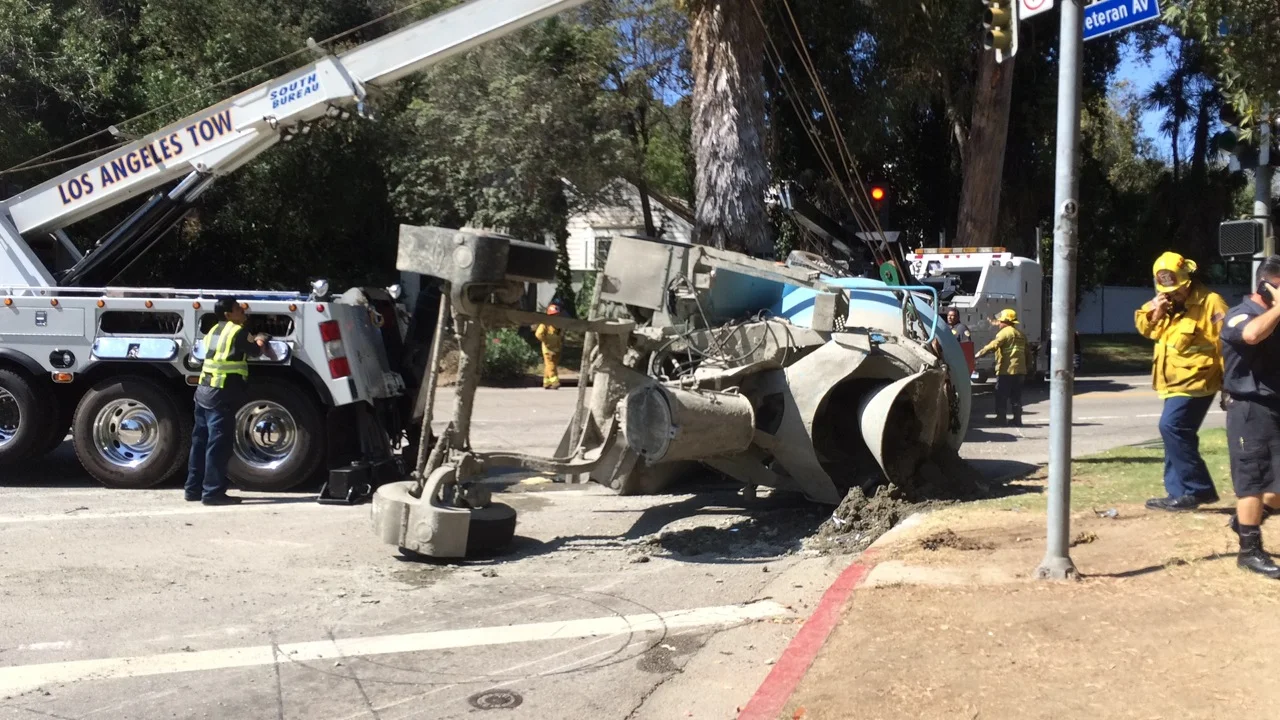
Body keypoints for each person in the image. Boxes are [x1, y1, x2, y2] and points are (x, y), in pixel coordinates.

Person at [1135, 252, 1228, 512]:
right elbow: (1146, 330)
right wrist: (1156, 309)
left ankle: (1199, 489)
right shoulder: (1166, 305)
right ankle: (1178, 493)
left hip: (1197, 382)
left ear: (1188, 281)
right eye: (1168, 290)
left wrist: (1229, 385)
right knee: (1174, 435)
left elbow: (1227, 345)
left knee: (1172, 428)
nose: (1174, 294)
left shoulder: (1211, 303)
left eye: (1177, 289)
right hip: (1171, 384)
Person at [1219, 256, 1280, 578]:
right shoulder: (1241, 314)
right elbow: (1253, 336)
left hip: (1275, 407)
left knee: (1277, 484)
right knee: (1253, 481)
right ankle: (1249, 551)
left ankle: (1244, 522)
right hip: (1249, 408)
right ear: (1267, 286)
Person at [186, 297, 267, 505]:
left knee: (200, 441)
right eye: (238, 308)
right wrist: (261, 338)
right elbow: (256, 352)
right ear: (228, 314)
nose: (243, 309)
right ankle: (213, 493)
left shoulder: (213, 330)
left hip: (203, 392)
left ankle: (193, 489)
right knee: (218, 445)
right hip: (221, 394)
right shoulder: (238, 332)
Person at [975, 308, 1027, 426]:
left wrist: (977, 355)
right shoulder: (1021, 334)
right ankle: (1017, 420)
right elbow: (1027, 354)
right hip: (1020, 371)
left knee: (1001, 395)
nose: (998, 323)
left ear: (1006, 321)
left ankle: (1001, 418)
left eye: (1000, 320)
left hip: (1007, 370)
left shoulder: (1004, 333)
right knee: (1016, 396)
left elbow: (993, 346)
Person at [534, 304, 563, 390]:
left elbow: (560, 335)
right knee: (551, 365)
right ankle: (554, 382)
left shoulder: (558, 325)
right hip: (548, 349)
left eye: (557, 314)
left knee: (549, 365)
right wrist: (545, 340)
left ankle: (546, 382)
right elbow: (538, 334)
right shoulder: (545, 324)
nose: (556, 316)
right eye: (554, 315)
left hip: (556, 348)